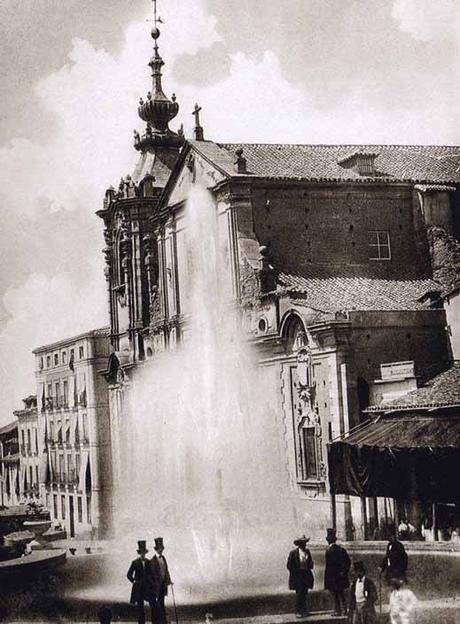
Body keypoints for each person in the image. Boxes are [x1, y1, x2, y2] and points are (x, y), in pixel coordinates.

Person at [127, 540, 156, 624]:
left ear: (145, 553)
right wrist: (134, 581)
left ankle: (154, 622)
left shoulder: (149, 562)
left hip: (148, 587)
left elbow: (152, 574)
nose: (143, 554)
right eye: (141, 552)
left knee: (153, 605)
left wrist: (152, 583)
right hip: (139, 588)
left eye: (144, 552)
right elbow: (129, 574)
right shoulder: (135, 562)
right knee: (140, 608)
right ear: (139, 553)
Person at [324, 528, 351, 616]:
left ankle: (338, 610)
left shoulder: (329, 551)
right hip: (339, 576)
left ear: (329, 541)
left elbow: (329, 567)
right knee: (340, 593)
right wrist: (344, 571)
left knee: (335, 594)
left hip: (333, 577)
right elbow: (347, 562)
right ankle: (343, 610)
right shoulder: (341, 550)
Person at [287, 534, 314, 617]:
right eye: (302, 543)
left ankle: (304, 611)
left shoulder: (307, 552)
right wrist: (295, 572)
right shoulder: (293, 553)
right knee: (299, 594)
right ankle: (298, 611)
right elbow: (289, 565)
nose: (304, 544)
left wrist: (310, 565)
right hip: (298, 576)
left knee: (304, 593)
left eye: (305, 543)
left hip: (306, 575)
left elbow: (310, 563)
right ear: (299, 544)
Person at [150, 537, 172, 624]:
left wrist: (169, 580)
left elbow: (166, 570)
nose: (160, 550)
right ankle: (157, 621)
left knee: (162, 602)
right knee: (158, 603)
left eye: (161, 549)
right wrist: (154, 584)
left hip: (163, 585)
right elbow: (152, 574)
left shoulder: (163, 558)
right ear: (156, 549)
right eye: (159, 549)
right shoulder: (153, 560)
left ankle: (163, 621)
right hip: (156, 586)